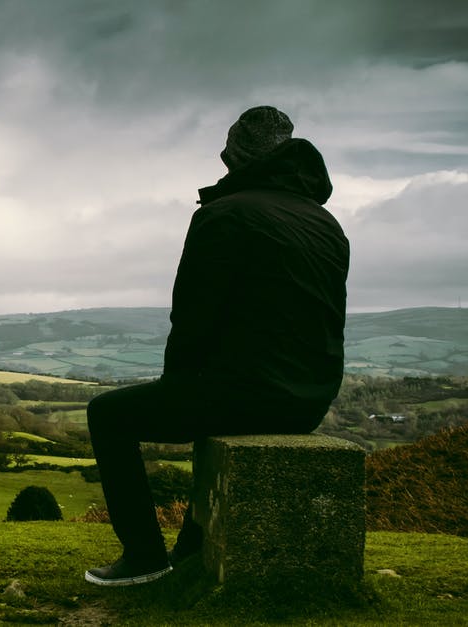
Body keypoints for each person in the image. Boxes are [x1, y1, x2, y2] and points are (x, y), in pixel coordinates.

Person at [83, 105, 350, 586]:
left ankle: (143, 556)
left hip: (245, 395)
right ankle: (191, 550)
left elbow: (192, 317)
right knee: (210, 402)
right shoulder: (324, 224)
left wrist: (177, 384)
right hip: (309, 399)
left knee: (108, 414)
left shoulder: (225, 215)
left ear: (238, 158)